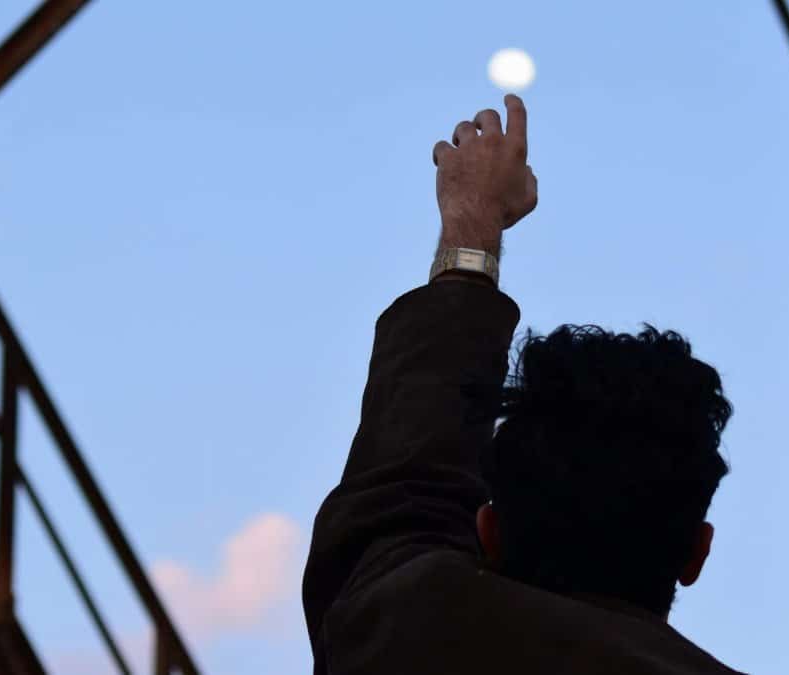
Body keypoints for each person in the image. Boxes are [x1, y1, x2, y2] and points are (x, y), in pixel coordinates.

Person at [302, 94, 742, 674]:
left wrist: (473, 225)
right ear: (697, 552)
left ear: (490, 531)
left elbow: (398, 499)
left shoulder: (410, 631)